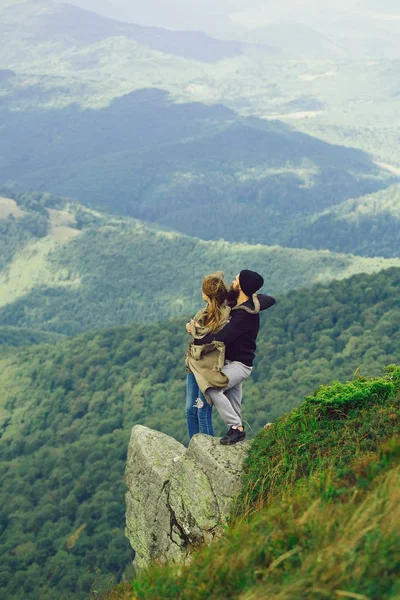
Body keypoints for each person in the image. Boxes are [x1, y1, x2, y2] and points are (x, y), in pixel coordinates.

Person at [196, 270, 276, 445]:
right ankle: (237, 434)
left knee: (211, 387)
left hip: (239, 365)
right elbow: (269, 299)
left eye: (236, 280)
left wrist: (196, 336)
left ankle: (236, 428)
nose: (232, 281)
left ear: (241, 286)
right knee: (234, 401)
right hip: (233, 362)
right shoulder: (238, 303)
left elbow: (222, 337)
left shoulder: (245, 315)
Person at [185, 272, 230, 441]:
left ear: (208, 293)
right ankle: (194, 449)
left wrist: (194, 328)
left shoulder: (224, 313)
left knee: (202, 410)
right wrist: (192, 327)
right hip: (194, 364)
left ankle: (207, 452)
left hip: (208, 368)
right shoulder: (205, 311)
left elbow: (213, 337)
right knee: (190, 410)